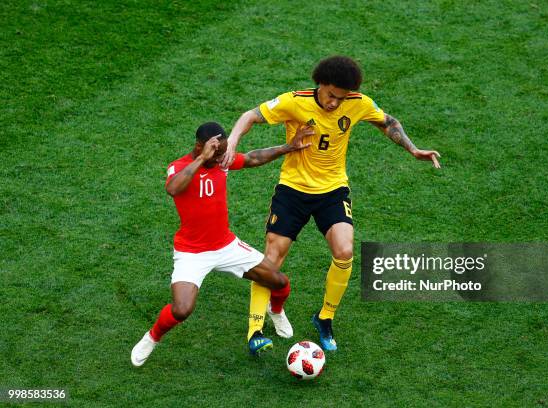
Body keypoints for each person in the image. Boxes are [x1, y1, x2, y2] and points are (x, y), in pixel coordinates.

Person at [222, 56, 441, 351]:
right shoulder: (293, 102)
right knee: (272, 258)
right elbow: (250, 116)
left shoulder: (357, 101)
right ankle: (255, 330)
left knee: (345, 250)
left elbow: (388, 122)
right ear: (320, 84)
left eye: (341, 98)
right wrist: (233, 141)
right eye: (331, 96)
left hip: (333, 190)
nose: (336, 103)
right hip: (293, 189)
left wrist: (413, 150)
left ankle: (324, 318)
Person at [131, 121, 311, 366]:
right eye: (216, 152)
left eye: (223, 152)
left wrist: (288, 147)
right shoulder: (179, 167)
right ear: (199, 147)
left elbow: (252, 158)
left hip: (226, 247)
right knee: (182, 309)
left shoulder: (221, 161)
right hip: (192, 253)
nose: (221, 158)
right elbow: (173, 189)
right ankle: (152, 338)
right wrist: (201, 160)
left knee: (280, 282)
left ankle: (276, 311)